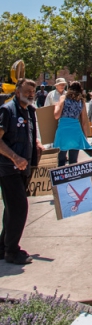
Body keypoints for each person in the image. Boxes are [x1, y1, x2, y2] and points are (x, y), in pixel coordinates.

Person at [0, 79, 42, 264]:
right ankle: (12, 251)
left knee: (11, 209)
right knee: (19, 208)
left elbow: (30, 135)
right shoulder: (8, 110)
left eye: (33, 91)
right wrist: (15, 157)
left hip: (24, 169)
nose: (31, 94)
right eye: (27, 90)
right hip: (8, 168)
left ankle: (3, 247)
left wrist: (38, 144)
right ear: (17, 92)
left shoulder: (30, 111)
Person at [53, 81, 92, 167]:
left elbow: (56, 116)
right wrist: (85, 137)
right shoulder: (81, 101)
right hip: (76, 131)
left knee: (61, 160)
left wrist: (56, 106)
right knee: (73, 161)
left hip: (63, 130)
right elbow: (84, 122)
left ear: (69, 88)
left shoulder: (63, 98)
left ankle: (61, 178)